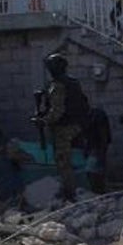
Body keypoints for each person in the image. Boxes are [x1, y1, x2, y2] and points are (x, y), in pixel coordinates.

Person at [43, 52, 89, 199]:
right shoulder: (73, 82)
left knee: (63, 160)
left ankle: (69, 192)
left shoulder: (58, 85)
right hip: (77, 125)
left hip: (64, 127)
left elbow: (58, 111)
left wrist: (44, 120)